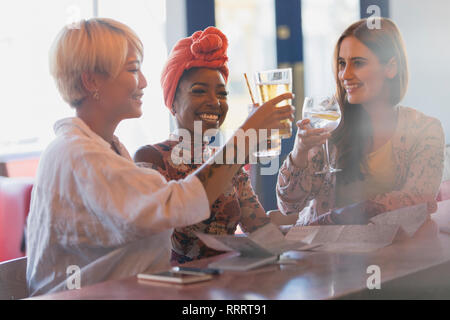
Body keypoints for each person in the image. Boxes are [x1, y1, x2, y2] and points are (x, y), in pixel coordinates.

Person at [26, 18, 294, 296]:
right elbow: (174, 206)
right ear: (91, 80)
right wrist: (246, 135)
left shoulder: (104, 150)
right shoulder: (79, 154)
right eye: (133, 69)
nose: (143, 81)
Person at [276, 18, 444, 226]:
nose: (344, 75)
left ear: (391, 67)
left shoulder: (425, 130)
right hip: (320, 251)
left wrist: (344, 215)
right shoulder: (328, 124)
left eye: (358, 63)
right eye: (342, 64)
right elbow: (289, 206)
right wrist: (299, 153)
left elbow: (417, 203)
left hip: (392, 253)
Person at [134, 27, 271, 264]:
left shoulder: (229, 161)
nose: (214, 102)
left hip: (227, 285)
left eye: (222, 93)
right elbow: (153, 233)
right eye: (199, 91)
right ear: (173, 103)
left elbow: (261, 230)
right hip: (175, 288)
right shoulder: (151, 157)